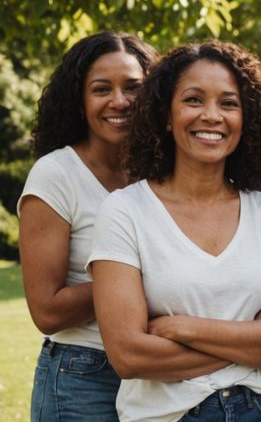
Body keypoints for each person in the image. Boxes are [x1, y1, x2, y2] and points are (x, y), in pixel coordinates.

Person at [89, 42, 261, 421]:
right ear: (165, 114)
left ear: (247, 118)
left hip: (258, 409)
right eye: (193, 100)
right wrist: (253, 336)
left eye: (228, 103)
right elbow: (128, 355)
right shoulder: (125, 212)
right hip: (166, 414)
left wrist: (183, 328)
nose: (212, 116)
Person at [19, 31, 156, 421]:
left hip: (155, 372)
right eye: (101, 89)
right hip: (82, 374)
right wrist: (130, 282)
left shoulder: (162, 173)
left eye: (134, 87)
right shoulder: (56, 175)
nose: (120, 101)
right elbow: (47, 311)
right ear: (79, 101)